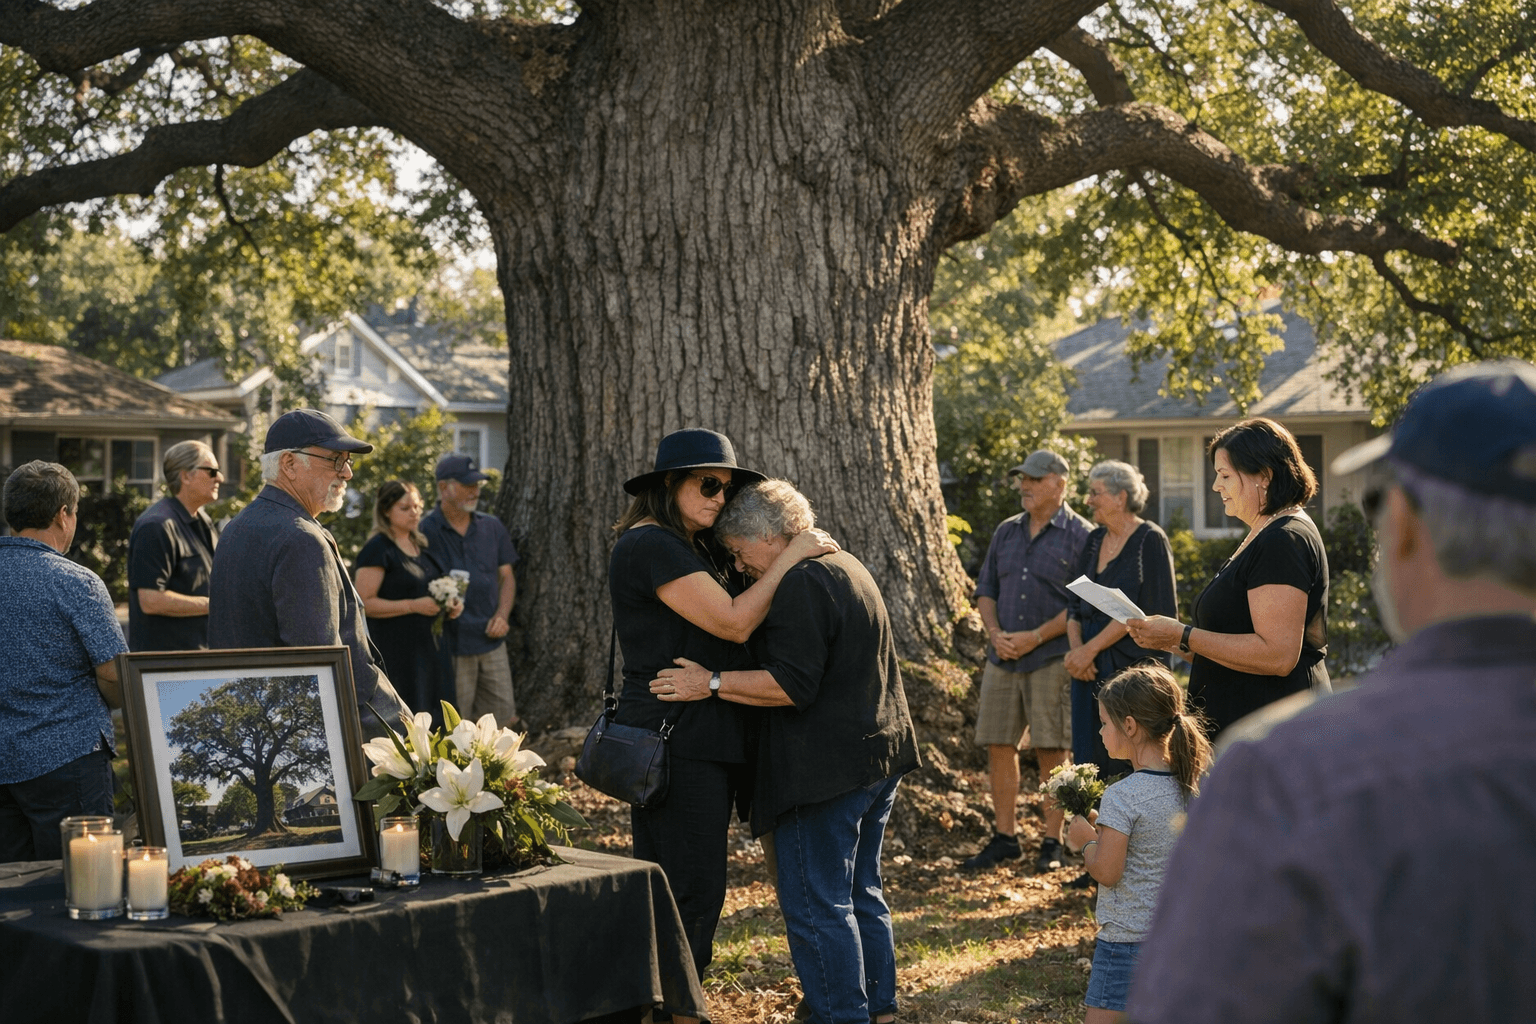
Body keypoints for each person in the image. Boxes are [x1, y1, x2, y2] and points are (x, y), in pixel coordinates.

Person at [1130, 359, 1536, 1022]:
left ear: (1404, 526)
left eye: (1378, 502)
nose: (1218, 486)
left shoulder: (1287, 777)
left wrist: (1183, 636)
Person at [652, 479, 920, 1024]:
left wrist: (711, 682)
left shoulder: (802, 582)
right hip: (876, 756)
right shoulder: (846, 565)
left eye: (739, 552)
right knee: (860, 892)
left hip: (823, 773)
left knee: (817, 905)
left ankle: (840, 1015)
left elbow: (790, 684)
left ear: (771, 538)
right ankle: (880, 1011)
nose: (739, 566)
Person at [609, 428, 835, 1012]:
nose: (720, 498)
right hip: (675, 740)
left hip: (705, 736)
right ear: (669, 483)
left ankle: (669, 1003)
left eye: (727, 488)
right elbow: (734, 623)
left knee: (691, 885)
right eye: (708, 484)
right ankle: (676, 1008)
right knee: (689, 888)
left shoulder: (695, 544)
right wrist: (792, 555)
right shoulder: (651, 544)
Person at [207, 409, 407, 738]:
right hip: (330, 734)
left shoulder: (238, 526)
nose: (347, 473)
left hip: (258, 727)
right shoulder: (300, 538)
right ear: (289, 463)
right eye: (335, 460)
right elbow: (320, 667)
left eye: (348, 461)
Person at [1126, 418, 1330, 739]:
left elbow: (1278, 655)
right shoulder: (1263, 533)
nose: (1215, 486)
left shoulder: (1283, 539)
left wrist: (1184, 633)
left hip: (1272, 732)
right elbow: (1233, 644)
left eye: (1224, 475)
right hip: (1245, 726)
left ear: (1264, 476)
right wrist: (1173, 640)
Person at [965, 449, 1092, 873]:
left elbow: (1080, 605)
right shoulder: (1006, 531)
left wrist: (1035, 637)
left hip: (1051, 656)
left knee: (1052, 749)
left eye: (1035, 479)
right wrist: (994, 634)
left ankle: (1052, 842)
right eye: (1023, 478)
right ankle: (1005, 838)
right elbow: (985, 589)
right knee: (999, 745)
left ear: (1060, 484)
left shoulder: (1082, 535)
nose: (1025, 485)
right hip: (1002, 656)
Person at [1063, 663, 1212, 1024]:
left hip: (1126, 944)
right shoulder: (1194, 786)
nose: (1100, 731)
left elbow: (1107, 871)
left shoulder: (1123, 795)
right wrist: (1105, 831)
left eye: (1104, 723)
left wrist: (1085, 842)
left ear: (1129, 726)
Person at [0, 461, 126, 859]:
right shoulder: (76, 581)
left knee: (10, 886)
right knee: (82, 881)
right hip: (70, 760)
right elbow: (116, 675)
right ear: (63, 514)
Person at [1064, 460, 1177, 778]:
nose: (1088, 501)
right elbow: (1074, 604)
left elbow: (1153, 612)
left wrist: (1089, 650)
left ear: (1120, 497)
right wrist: (1078, 652)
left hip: (1131, 673)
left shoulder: (1150, 539)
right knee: (1087, 762)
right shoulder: (1094, 540)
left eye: (1095, 493)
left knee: (1126, 761)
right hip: (1087, 672)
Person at [419, 454, 521, 728]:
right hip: (450, 645)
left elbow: (507, 577)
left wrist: (502, 615)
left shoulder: (492, 526)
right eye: (467, 485)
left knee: (501, 722)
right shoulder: (424, 531)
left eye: (477, 484)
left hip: (491, 641)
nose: (475, 491)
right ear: (443, 488)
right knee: (454, 726)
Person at [355, 481, 461, 728]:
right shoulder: (378, 549)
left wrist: (450, 604)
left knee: (441, 724)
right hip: (400, 656)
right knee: (411, 725)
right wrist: (412, 606)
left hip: (433, 653)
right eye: (405, 508)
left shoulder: (422, 545)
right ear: (386, 511)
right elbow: (364, 603)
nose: (414, 513)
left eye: (417, 506)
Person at [126, 439, 221, 651]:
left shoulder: (203, 521)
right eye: (212, 471)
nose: (220, 478)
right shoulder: (156, 525)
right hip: (166, 664)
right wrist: (215, 605)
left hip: (200, 658)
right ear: (186, 476)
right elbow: (150, 600)